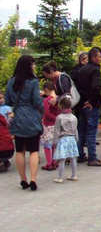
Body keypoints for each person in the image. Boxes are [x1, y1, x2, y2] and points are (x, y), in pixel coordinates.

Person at [5, 55, 44, 191]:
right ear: (28, 66)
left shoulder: (11, 81)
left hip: (17, 117)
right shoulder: (33, 82)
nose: (34, 66)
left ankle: (23, 179)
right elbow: (36, 101)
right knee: (34, 150)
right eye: (33, 64)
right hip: (32, 117)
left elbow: (8, 100)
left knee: (19, 150)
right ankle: (33, 179)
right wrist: (42, 110)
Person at [77, 47, 101, 166]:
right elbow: (95, 87)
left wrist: (83, 100)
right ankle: (92, 158)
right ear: (94, 57)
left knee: (81, 131)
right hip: (91, 105)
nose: (100, 59)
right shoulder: (95, 70)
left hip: (81, 104)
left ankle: (80, 155)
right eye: (99, 56)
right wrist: (91, 101)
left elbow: (77, 86)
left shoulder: (82, 69)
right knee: (91, 131)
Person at [53, 97, 79, 183]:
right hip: (72, 139)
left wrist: (55, 142)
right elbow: (75, 129)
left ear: (61, 106)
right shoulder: (74, 117)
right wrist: (76, 139)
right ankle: (74, 175)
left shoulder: (59, 117)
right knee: (73, 158)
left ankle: (60, 177)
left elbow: (56, 131)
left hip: (63, 139)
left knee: (62, 159)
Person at [41, 81, 61, 171]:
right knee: (54, 144)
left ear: (46, 90)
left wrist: (53, 118)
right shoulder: (58, 99)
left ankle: (49, 163)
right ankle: (54, 162)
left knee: (47, 144)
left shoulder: (46, 100)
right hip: (56, 125)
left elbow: (46, 112)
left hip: (48, 124)